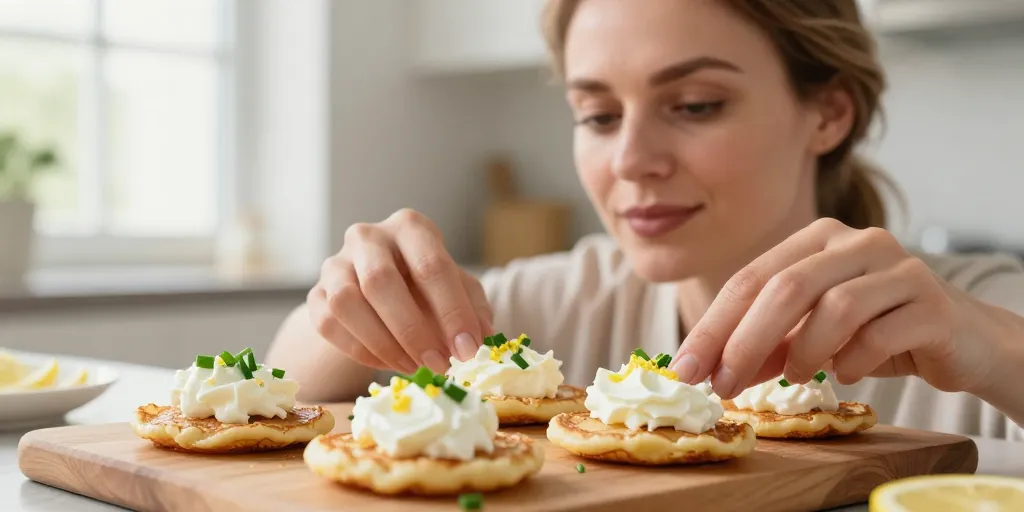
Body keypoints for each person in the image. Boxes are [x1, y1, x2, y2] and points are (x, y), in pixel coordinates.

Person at [266, 0, 1024, 439]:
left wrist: (992, 348)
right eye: (597, 115)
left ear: (826, 113)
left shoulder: (966, 319)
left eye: (695, 105)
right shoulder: (558, 306)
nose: (631, 160)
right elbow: (286, 396)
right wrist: (351, 301)